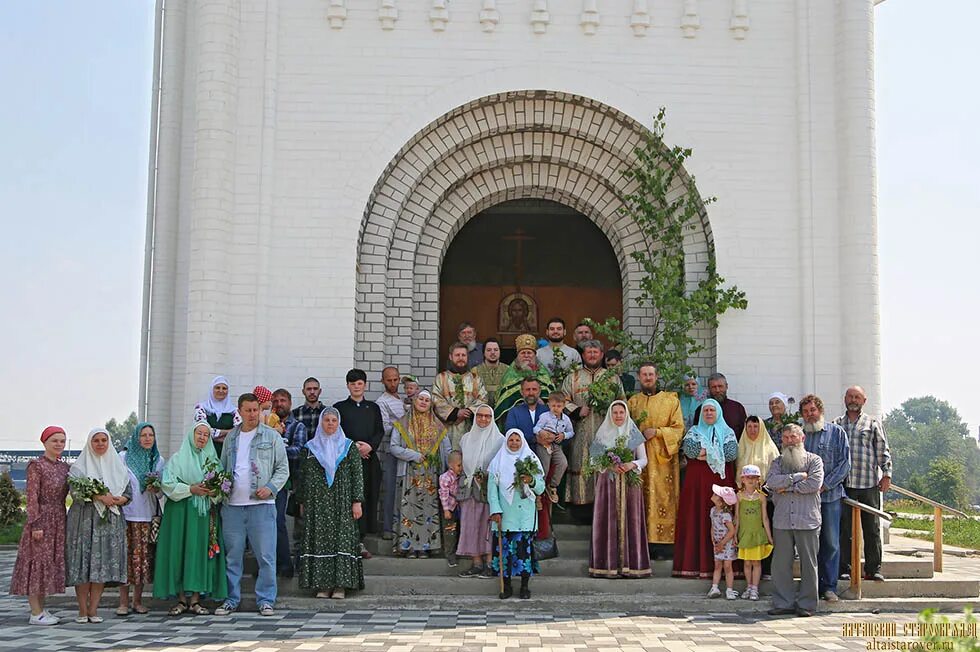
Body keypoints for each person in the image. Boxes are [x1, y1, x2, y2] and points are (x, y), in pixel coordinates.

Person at [216, 393, 289, 617]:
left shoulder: (271, 436)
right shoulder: (231, 438)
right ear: (239, 412)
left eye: (255, 410)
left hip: (262, 505)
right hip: (233, 507)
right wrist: (221, 487)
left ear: (260, 410)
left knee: (266, 556)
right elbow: (223, 468)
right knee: (233, 556)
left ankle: (266, 600)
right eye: (247, 410)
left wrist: (270, 488)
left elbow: (283, 469)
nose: (252, 414)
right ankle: (231, 599)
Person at [153, 421, 228, 616]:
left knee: (198, 553)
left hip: (202, 514)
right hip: (180, 512)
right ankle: (180, 600)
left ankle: (195, 600)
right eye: (199, 434)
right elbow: (168, 485)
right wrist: (190, 489)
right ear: (191, 436)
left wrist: (213, 492)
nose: (202, 437)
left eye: (206, 435)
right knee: (179, 551)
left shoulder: (213, 460)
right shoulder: (178, 459)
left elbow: (221, 489)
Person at [296, 407, 365, 600]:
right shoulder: (310, 448)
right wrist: (301, 501)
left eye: (334, 420)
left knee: (340, 540)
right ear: (321, 423)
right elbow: (302, 477)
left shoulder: (348, 446)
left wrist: (357, 501)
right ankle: (323, 586)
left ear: (339, 423)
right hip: (317, 504)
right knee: (320, 541)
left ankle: (340, 586)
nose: (330, 424)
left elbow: (357, 475)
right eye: (326, 420)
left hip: (342, 502)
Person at [66, 427, 132, 624]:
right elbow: (75, 493)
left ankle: (93, 610)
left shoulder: (118, 467)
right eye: (96, 440)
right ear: (89, 443)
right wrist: (97, 496)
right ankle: (81, 610)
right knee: (84, 565)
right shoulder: (79, 467)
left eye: (104, 440)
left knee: (100, 566)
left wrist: (121, 499)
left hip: (109, 523)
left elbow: (128, 493)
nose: (101, 444)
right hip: (84, 522)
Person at [9, 426, 69, 626]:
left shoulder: (64, 467)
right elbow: (32, 497)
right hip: (42, 519)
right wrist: (35, 524)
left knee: (48, 565)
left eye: (62, 441)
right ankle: (35, 612)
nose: (59, 444)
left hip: (59, 518)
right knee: (37, 563)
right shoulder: (36, 466)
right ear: (45, 443)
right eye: (55, 441)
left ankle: (41, 609)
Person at [672, 399, 738, 579]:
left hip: (721, 483)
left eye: (712, 410)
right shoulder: (694, 431)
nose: (709, 413)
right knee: (697, 518)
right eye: (706, 410)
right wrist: (716, 453)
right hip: (697, 484)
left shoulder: (728, 432)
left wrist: (705, 453)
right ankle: (695, 565)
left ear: (718, 413)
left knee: (723, 521)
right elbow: (690, 451)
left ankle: (725, 569)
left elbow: (731, 453)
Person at [835, 385, 893, 583]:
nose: (853, 400)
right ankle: (845, 568)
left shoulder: (872, 423)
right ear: (844, 399)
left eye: (857, 397)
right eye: (850, 396)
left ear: (864, 400)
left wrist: (886, 474)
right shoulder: (837, 424)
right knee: (845, 530)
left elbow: (882, 451)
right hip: (844, 486)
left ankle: (873, 568)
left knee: (872, 528)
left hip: (868, 484)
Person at [562, 339, 626, 519]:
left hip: (606, 432)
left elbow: (622, 402)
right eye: (588, 352)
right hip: (580, 432)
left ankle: (604, 512)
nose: (592, 355)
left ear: (601, 355)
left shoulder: (611, 378)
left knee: (603, 468)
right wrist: (577, 410)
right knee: (580, 465)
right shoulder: (573, 377)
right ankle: (580, 513)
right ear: (583, 355)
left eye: (595, 352)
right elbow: (563, 402)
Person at [766, 424, 825, 618]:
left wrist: (786, 487)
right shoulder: (777, 462)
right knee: (781, 564)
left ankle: (807, 604)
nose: (790, 441)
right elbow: (772, 483)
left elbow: (814, 484)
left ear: (802, 439)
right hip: (782, 519)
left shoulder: (814, 461)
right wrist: (796, 478)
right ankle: (784, 602)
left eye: (793, 437)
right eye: (786, 438)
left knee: (809, 563)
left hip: (807, 519)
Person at [627, 362, 684, 560]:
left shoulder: (670, 400)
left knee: (663, 500)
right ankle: (642, 545)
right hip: (639, 459)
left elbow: (678, 429)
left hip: (663, 461)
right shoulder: (633, 402)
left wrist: (658, 432)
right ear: (639, 377)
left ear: (657, 376)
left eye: (651, 374)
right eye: (644, 375)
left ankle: (664, 547)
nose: (648, 378)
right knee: (640, 499)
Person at [588, 400, 652, 578]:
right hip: (607, 484)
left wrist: (631, 464)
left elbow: (644, 459)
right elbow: (593, 460)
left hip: (630, 484)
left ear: (626, 414)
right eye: (615, 413)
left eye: (621, 413)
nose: (618, 416)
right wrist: (609, 465)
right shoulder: (602, 433)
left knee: (631, 520)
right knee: (607, 520)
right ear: (610, 414)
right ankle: (607, 566)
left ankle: (631, 566)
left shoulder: (633, 433)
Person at [799, 394, 850, 603]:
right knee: (808, 544)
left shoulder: (836, 433)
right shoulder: (800, 435)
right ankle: (810, 586)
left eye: (812, 410)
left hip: (830, 498)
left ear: (820, 410)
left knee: (830, 542)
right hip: (806, 500)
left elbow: (844, 464)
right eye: (805, 412)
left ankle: (829, 587)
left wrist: (824, 485)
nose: (810, 415)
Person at [391, 390, 451, 558]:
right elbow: (394, 447)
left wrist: (449, 473)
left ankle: (425, 547)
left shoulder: (438, 426)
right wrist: (414, 455)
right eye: (421, 399)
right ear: (415, 401)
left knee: (427, 510)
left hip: (430, 475)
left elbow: (446, 450)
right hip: (409, 473)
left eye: (427, 400)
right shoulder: (402, 423)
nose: (424, 402)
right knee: (409, 510)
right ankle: (408, 546)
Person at [488, 428, 545, 599]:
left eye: (517, 440)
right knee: (504, 554)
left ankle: (524, 587)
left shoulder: (531, 459)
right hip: (504, 516)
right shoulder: (497, 461)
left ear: (523, 442)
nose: (514, 443)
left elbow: (540, 488)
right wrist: (495, 510)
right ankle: (506, 587)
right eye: (511, 440)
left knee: (523, 554)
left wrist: (531, 480)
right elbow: (492, 491)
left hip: (524, 516)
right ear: (506, 441)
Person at [118, 422, 165, 616]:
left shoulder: (158, 460)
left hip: (147, 517)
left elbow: (163, 492)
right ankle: (122, 602)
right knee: (126, 559)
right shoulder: (123, 458)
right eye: (143, 435)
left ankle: (137, 601)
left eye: (150, 435)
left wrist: (156, 488)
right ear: (136, 437)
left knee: (142, 561)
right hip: (127, 515)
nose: (147, 439)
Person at [334, 368, 385, 545]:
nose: (356, 387)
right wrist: (353, 448)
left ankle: (362, 539)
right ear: (347, 386)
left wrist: (370, 446)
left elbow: (380, 431)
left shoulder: (373, 408)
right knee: (349, 498)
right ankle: (348, 538)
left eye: (359, 383)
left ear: (365, 385)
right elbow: (336, 434)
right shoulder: (339, 408)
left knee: (368, 496)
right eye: (352, 383)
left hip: (369, 460)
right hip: (347, 462)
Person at [456, 404, 505, 578]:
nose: (483, 419)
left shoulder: (500, 440)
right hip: (469, 489)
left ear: (492, 419)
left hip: (489, 491)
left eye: (487, 416)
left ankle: (490, 563)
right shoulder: (466, 439)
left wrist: (486, 475)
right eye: (480, 416)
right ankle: (476, 563)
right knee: (471, 525)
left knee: (487, 526)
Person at [736, 415, 780, 579]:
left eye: (756, 427)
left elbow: (776, 470)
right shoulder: (741, 447)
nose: (753, 430)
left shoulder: (769, 448)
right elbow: (736, 469)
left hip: (765, 497)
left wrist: (764, 487)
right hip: (744, 497)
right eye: (749, 427)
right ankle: (745, 571)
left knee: (763, 530)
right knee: (745, 530)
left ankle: (766, 569)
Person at [272, 388, 307, 577]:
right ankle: (270, 566)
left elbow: (300, 451)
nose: (279, 404)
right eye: (275, 401)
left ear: (290, 403)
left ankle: (286, 564)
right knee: (267, 525)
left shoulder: (297, 426)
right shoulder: (267, 425)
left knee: (279, 522)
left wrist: (275, 450)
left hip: (288, 482)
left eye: (282, 400)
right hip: (265, 482)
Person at [432, 342, 489, 450]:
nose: (460, 358)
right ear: (450, 357)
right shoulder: (441, 378)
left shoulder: (475, 378)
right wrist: (455, 413)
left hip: (470, 428)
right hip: (448, 430)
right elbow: (436, 400)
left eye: (463, 355)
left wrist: (468, 411)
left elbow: (483, 398)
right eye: (457, 355)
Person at [496, 334, 554, 428]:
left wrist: (541, 400)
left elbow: (551, 394)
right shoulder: (510, 373)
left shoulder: (543, 372)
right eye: (523, 353)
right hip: (517, 417)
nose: (526, 356)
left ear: (535, 355)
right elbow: (504, 397)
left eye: (529, 353)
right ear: (517, 356)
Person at [376, 366, 406, 540]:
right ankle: (387, 528)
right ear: (383, 381)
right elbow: (385, 428)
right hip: (391, 451)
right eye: (389, 380)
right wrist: (401, 425)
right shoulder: (382, 401)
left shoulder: (401, 399)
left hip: (405, 449)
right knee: (390, 489)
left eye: (395, 379)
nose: (393, 383)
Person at [736, 464, 773, 601]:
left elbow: (765, 518)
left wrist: (769, 536)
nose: (751, 480)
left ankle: (755, 588)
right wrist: (735, 534)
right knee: (746, 563)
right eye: (748, 477)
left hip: (757, 534)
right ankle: (749, 586)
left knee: (756, 562)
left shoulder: (761, 497)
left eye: (754, 477)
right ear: (743, 479)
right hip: (745, 534)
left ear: (759, 480)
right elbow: (737, 517)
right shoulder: (739, 496)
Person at [531, 390, 574, 504]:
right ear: (549, 405)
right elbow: (535, 428)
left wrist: (564, 435)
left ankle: (553, 486)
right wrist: (541, 432)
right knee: (544, 467)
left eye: (559, 406)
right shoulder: (545, 417)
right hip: (544, 444)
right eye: (553, 405)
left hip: (556, 445)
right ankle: (539, 492)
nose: (555, 408)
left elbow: (571, 432)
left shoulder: (566, 419)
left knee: (563, 463)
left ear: (564, 406)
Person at [693, 373, 748, 440]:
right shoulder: (702, 410)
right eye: (714, 387)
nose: (717, 390)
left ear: (726, 386)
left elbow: (745, 433)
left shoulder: (737, 408)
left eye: (720, 386)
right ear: (709, 389)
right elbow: (696, 435)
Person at [194, 375, 240, 454]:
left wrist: (213, 435)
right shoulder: (201, 408)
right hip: (205, 451)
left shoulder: (235, 411)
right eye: (217, 387)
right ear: (212, 389)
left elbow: (238, 432)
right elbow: (202, 431)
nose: (221, 391)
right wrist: (228, 432)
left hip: (227, 453)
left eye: (224, 388)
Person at [707, 485, 738, 599]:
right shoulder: (713, 511)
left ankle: (729, 590)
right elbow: (712, 526)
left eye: (716, 495)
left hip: (727, 544)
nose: (713, 495)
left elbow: (731, 531)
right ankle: (714, 587)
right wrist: (713, 539)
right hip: (717, 543)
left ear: (721, 502)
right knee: (717, 565)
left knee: (728, 566)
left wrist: (722, 543)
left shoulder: (725, 515)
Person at [536, 317, 582, 388]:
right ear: (547, 332)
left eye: (559, 329)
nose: (555, 331)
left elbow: (579, 377)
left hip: (567, 394)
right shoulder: (538, 354)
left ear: (564, 332)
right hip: (544, 394)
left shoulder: (573, 353)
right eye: (552, 329)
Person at [439, 451, 464, 567]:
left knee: (458, 529)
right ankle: (449, 554)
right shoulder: (445, 477)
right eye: (459, 465)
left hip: (458, 508)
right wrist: (446, 510)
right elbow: (443, 494)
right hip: (449, 508)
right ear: (451, 465)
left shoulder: (461, 477)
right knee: (450, 531)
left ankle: (459, 551)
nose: (461, 468)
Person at [472, 338, 507, 407]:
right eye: (489, 350)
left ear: (500, 352)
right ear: (483, 352)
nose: (493, 352)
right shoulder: (474, 371)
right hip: (481, 411)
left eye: (496, 350)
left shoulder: (508, 370)